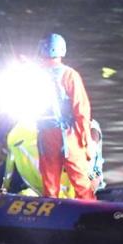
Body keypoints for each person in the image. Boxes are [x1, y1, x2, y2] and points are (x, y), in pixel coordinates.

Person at [35, 33, 96, 201]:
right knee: (81, 182)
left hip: (46, 134)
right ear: (62, 50)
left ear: (42, 50)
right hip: (69, 134)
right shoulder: (70, 75)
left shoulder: (34, 75)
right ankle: (91, 214)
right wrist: (86, 140)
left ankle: (51, 214)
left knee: (50, 183)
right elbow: (81, 111)